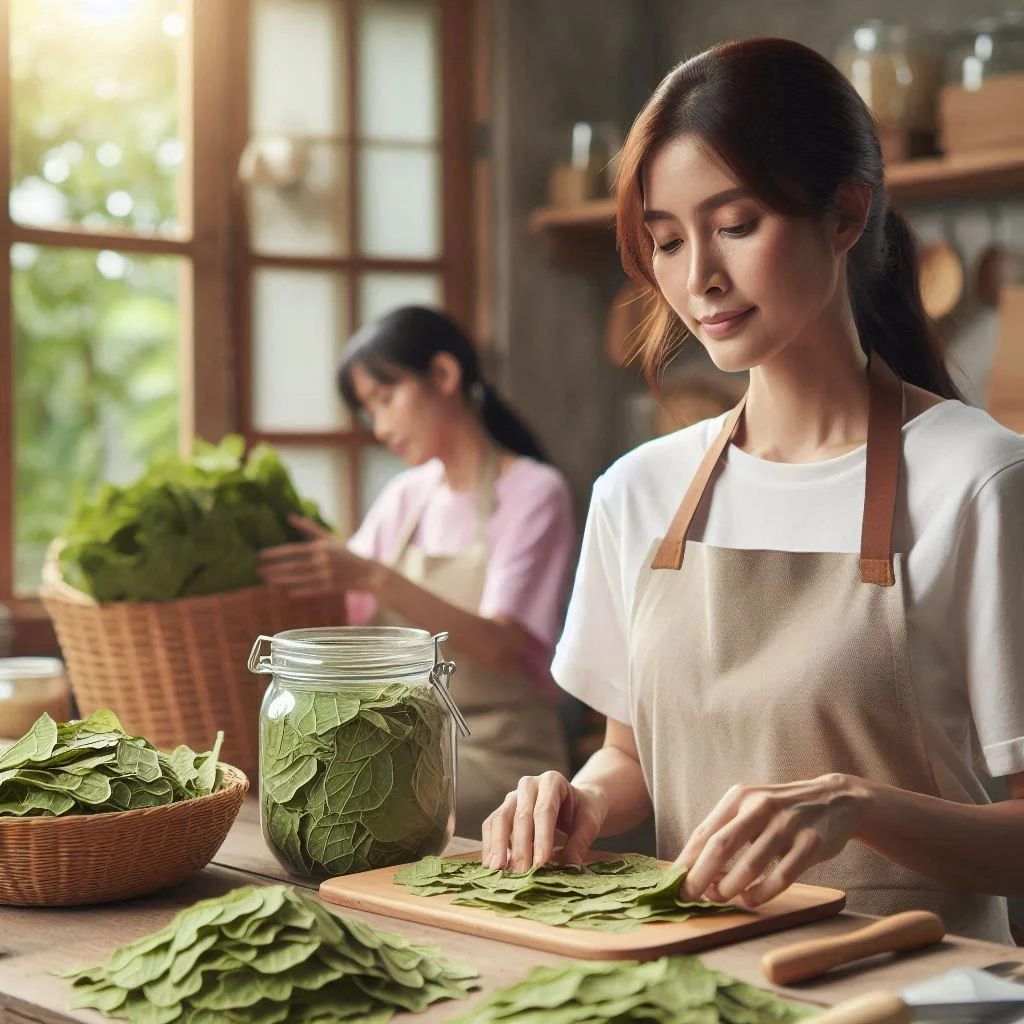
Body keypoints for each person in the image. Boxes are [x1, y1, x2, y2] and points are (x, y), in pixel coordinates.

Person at [480, 37, 1024, 943]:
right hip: (704, 984)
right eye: (666, 241)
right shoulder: (639, 491)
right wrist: (578, 800)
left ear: (844, 214)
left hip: (922, 990)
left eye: (735, 225)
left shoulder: (981, 480)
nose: (698, 277)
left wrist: (857, 806)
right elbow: (629, 758)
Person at [260, 305, 574, 838]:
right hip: (403, 749)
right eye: (368, 413)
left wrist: (373, 576)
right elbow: (348, 617)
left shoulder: (535, 492)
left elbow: (500, 646)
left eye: (386, 399)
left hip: (500, 755)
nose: (380, 428)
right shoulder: (405, 497)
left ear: (444, 375)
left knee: (362, 816)